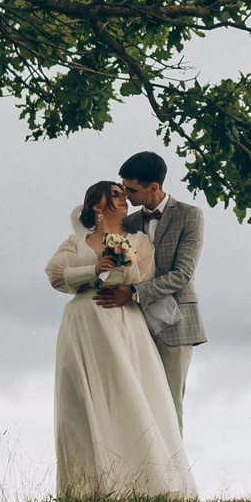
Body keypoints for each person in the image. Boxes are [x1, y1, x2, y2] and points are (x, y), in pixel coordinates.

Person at [45, 178, 197, 499]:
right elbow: (56, 276)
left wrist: (122, 266)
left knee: (127, 393)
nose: (123, 199)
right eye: (114, 195)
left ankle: (138, 482)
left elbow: (142, 277)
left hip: (122, 321)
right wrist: (91, 271)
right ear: (96, 205)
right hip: (83, 324)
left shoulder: (139, 241)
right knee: (83, 401)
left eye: (124, 194)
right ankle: (87, 489)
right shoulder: (75, 242)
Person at [97, 150, 205, 429]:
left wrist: (133, 292)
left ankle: (173, 472)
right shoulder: (129, 223)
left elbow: (182, 275)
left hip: (177, 323)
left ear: (153, 187)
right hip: (136, 322)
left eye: (131, 190)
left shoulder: (190, 216)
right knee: (137, 402)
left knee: (168, 404)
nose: (126, 195)